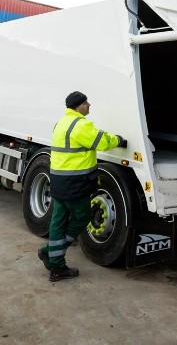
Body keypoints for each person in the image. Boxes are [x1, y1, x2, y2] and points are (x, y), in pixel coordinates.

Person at [38, 91, 127, 282]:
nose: (89, 105)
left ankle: (53, 259)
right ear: (78, 106)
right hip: (75, 183)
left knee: (58, 221)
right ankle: (55, 260)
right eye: (86, 103)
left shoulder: (61, 123)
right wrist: (119, 140)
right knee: (82, 217)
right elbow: (102, 142)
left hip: (59, 180)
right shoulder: (81, 125)